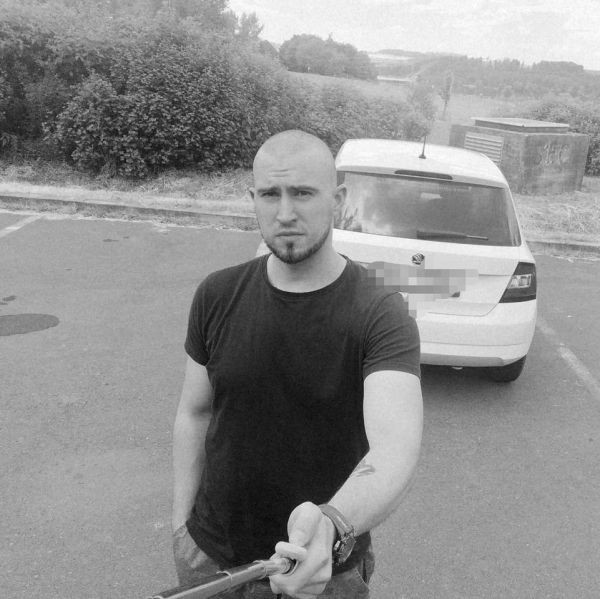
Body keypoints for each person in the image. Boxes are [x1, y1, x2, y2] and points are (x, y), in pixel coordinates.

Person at [172, 130, 423, 598]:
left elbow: (395, 448)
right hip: (209, 559)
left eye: (303, 193)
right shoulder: (217, 294)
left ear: (338, 201)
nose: (285, 213)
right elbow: (194, 411)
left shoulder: (380, 310)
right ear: (253, 199)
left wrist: (332, 524)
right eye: (270, 194)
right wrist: (180, 526)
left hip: (326, 570)